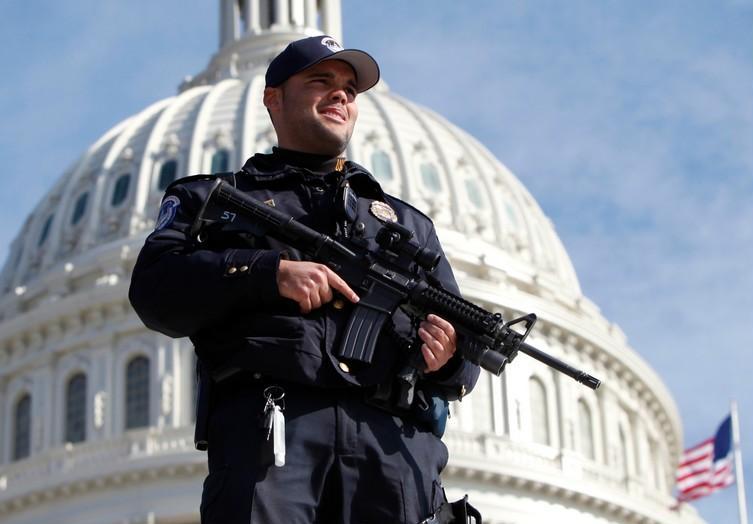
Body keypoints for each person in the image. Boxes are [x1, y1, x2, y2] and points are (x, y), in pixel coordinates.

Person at [129, 35, 480, 524]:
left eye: (350, 90)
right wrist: (267, 273)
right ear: (274, 98)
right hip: (273, 437)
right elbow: (154, 290)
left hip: (392, 448)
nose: (340, 96)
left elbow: (465, 358)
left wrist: (446, 359)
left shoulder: (405, 225)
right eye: (321, 81)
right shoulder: (213, 199)